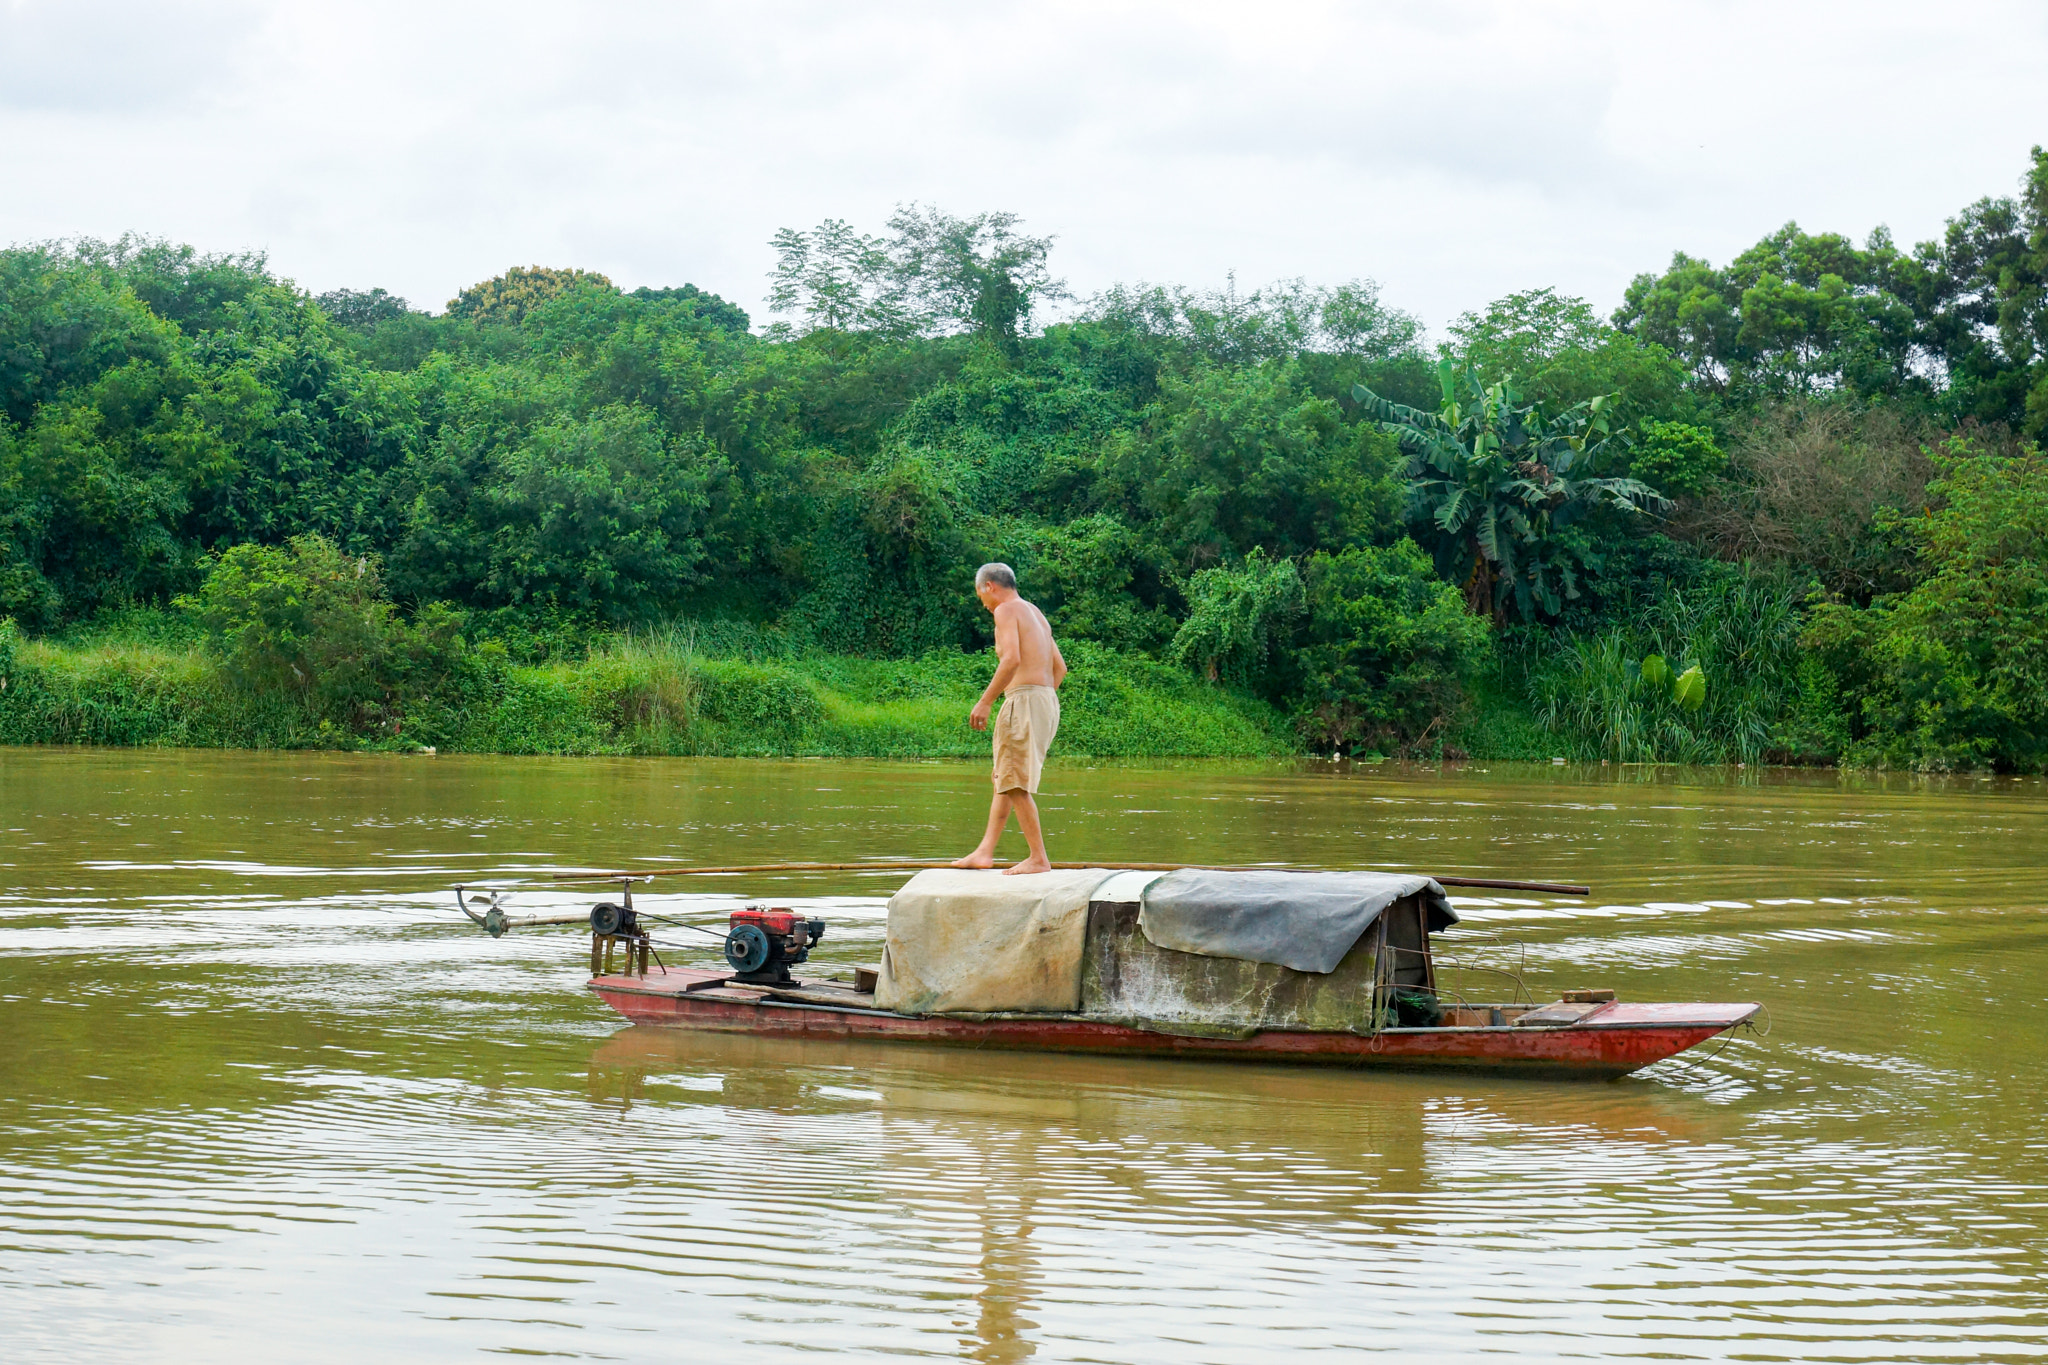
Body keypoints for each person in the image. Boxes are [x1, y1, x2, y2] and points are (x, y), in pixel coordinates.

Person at [952, 562, 1067, 875]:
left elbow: (1013, 659)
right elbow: (1060, 669)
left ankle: (1038, 858)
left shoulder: (1005, 610)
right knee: (1005, 777)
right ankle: (985, 851)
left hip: (1025, 700)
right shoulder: (1036, 613)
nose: (984, 605)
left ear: (989, 586)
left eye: (982, 597)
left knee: (1014, 782)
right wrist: (1040, 702)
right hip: (1046, 701)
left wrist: (986, 701)